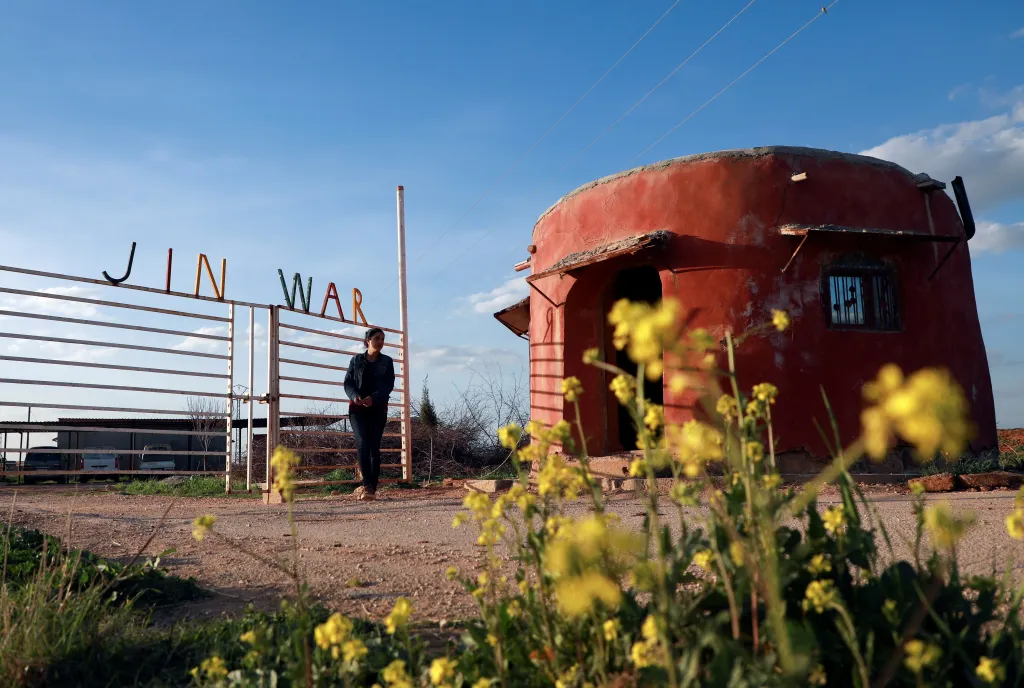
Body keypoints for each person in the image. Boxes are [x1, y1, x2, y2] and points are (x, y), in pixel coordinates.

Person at [344, 327, 395, 501]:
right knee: (362, 443)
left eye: (382, 339)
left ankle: (371, 488)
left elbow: (388, 386)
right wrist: (354, 396)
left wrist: (374, 398)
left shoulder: (387, 362)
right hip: (357, 409)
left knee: (374, 446)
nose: (380, 342)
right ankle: (367, 484)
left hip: (378, 408)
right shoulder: (356, 360)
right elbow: (348, 383)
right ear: (368, 341)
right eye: (377, 338)